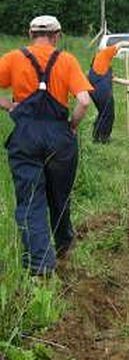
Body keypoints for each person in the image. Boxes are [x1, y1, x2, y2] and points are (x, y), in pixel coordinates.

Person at [0, 15, 93, 276]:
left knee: (31, 201)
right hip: (59, 138)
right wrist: (72, 127)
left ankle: (40, 266)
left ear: (30, 35)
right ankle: (64, 245)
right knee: (59, 197)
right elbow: (84, 101)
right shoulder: (67, 60)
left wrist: (9, 105)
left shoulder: (14, 58)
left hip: (26, 137)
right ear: (57, 36)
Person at [88, 41, 129, 143]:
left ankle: (97, 137)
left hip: (94, 91)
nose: (114, 54)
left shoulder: (101, 66)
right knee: (109, 114)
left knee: (103, 113)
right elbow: (120, 44)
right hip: (101, 90)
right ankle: (104, 137)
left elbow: (117, 80)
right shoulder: (104, 54)